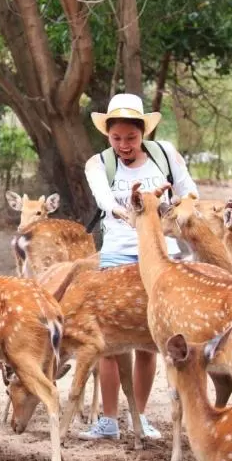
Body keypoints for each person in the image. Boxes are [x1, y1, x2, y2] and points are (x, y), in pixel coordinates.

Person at [79, 92, 198, 442]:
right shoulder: (99, 164)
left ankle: (140, 416)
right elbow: (103, 199)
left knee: (151, 338)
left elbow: (190, 192)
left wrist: (170, 204)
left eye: (131, 138)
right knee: (110, 340)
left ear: (143, 132)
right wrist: (125, 209)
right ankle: (109, 420)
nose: (124, 145)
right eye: (116, 138)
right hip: (118, 254)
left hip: (163, 257)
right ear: (107, 135)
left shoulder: (165, 156)